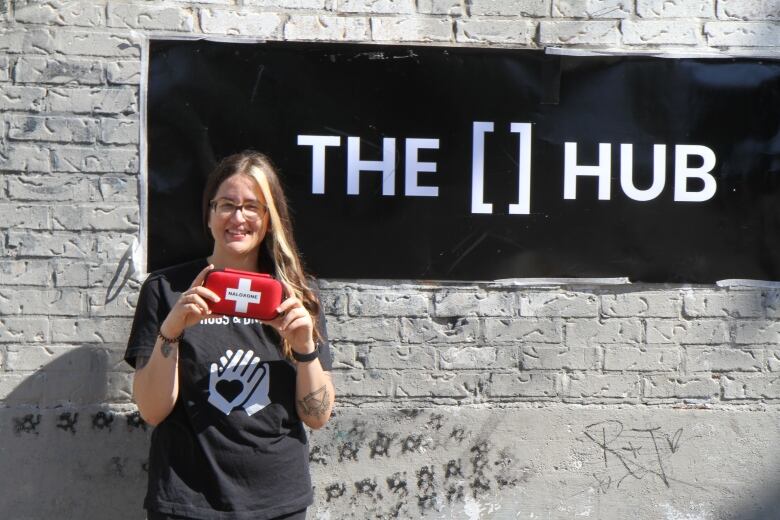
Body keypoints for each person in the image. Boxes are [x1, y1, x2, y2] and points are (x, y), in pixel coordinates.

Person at [124, 151, 335, 520]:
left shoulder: (296, 296)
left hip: (276, 502)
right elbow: (152, 410)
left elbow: (317, 416)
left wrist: (304, 349)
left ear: (268, 220)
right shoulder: (166, 289)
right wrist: (171, 331)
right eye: (226, 205)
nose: (238, 218)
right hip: (186, 500)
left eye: (252, 207)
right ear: (209, 215)